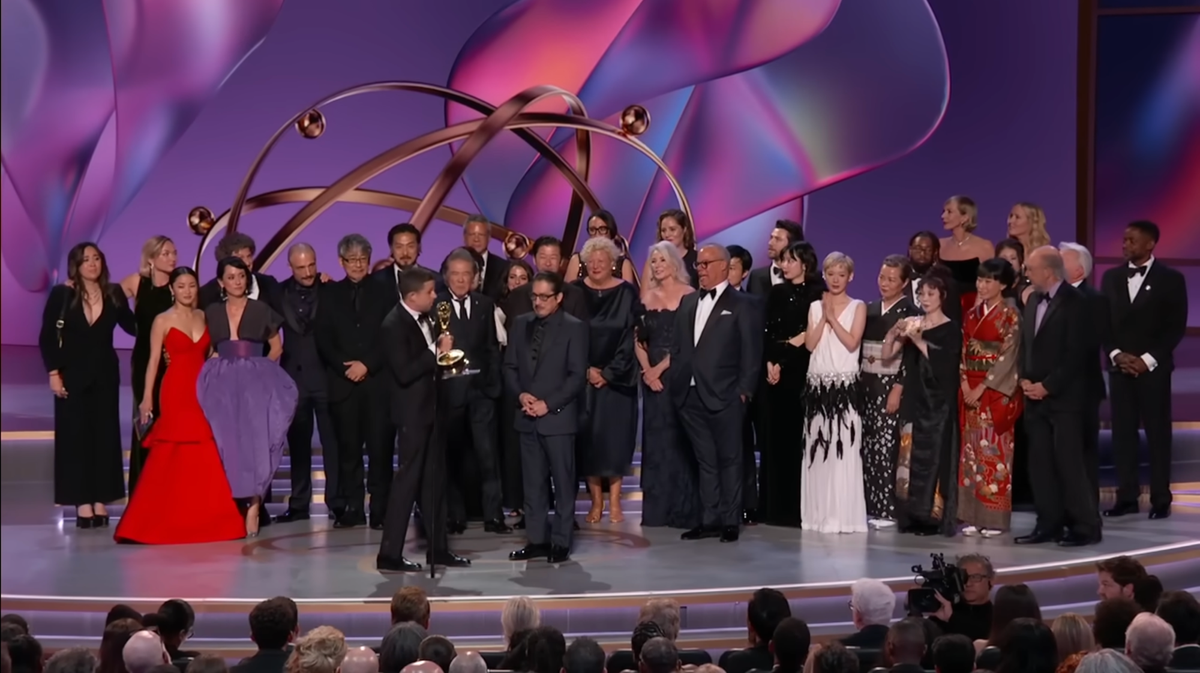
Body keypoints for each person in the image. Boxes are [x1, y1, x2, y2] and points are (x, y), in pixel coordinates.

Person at [114, 268, 246, 544]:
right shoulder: (162, 320)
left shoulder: (203, 316)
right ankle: (150, 522)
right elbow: (152, 362)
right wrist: (146, 397)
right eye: (181, 286)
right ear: (172, 290)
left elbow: (209, 353)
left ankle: (209, 520)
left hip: (203, 392)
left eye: (192, 286)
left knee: (204, 449)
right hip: (175, 391)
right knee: (171, 449)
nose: (187, 291)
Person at [375, 267, 471, 572]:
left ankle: (438, 549)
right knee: (407, 483)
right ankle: (389, 553)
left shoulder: (425, 316)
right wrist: (435, 351)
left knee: (434, 482)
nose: (435, 296)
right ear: (412, 296)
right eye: (430, 292)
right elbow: (404, 372)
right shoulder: (393, 324)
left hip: (432, 409)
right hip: (412, 415)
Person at [197, 257, 298, 537]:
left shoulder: (260, 309)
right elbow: (207, 346)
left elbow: (276, 346)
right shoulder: (211, 312)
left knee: (256, 441)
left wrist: (263, 371)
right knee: (226, 443)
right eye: (231, 277)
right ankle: (230, 508)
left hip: (255, 382)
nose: (237, 281)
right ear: (221, 282)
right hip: (222, 384)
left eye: (241, 276)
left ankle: (254, 505)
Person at [669, 244, 762, 543]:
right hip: (690, 395)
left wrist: (743, 391)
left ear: (725, 266)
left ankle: (730, 520)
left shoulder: (744, 303)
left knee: (730, 459)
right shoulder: (687, 302)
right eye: (699, 265)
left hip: (726, 396)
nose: (702, 269)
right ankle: (709, 519)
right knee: (705, 460)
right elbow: (679, 346)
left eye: (707, 264)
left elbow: (751, 352)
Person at [39, 243, 136, 527]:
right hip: (71, 374)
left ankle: (100, 500)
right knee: (75, 438)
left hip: (105, 374)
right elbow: (47, 336)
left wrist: (149, 298)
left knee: (104, 437)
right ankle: (82, 501)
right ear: (76, 265)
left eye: (96, 258)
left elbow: (132, 327)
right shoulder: (63, 293)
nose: (92, 264)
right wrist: (54, 373)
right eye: (86, 260)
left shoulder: (114, 293)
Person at [1100, 221, 1188, 521]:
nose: (1124, 244)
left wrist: (1147, 359)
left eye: (1131, 240)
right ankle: (1126, 496)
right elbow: (1103, 324)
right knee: (1123, 435)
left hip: (1154, 371)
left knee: (1157, 434)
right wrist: (1116, 355)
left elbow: (1174, 327)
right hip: (1119, 369)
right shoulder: (1110, 278)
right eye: (1124, 239)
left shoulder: (1171, 279)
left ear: (1150, 244)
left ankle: (1161, 498)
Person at [1015, 246, 1100, 547]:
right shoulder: (1033, 300)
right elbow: (1027, 345)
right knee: (1040, 466)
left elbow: (1078, 353)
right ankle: (1047, 524)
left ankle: (1085, 526)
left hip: (1066, 400)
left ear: (1048, 272)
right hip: (1033, 398)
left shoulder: (1078, 303)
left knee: (1069, 464)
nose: (1025, 274)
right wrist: (1024, 378)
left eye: (1030, 269)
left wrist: (1048, 386)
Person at [505, 272, 589, 564]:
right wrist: (521, 396)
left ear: (559, 298)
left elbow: (577, 376)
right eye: (535, 297)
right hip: (526, 416)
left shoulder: (574, 328)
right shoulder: (520, 324)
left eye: (544, 297)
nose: (538, 302)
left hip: (558, 419)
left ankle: (561, 542)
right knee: (533, 484)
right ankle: (537, 540)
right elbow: (510, 367)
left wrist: (548, 404)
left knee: (564, 484)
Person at [315, 234, 395, 529]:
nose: (358, 265)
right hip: (343, 383)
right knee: (348, 452)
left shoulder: (386, 292)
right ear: (341, 262)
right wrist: (345, 367)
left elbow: (391, 334)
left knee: (380, 450)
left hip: (376, 384)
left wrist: (368, 365)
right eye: (352, 260)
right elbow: (322, 337)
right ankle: (352, 508)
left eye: (363, 259)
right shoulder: (330, 294)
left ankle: (380, 510)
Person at [437, 248, 509, 534]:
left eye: (466, 274)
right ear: (446, 277)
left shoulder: (484, 304)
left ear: (475, 277)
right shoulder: (437, 305)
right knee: (452, 457)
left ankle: (494, 516)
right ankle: (455, 516)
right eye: (455, 274)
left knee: (488, 456)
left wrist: (493, 387)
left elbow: (492, 348)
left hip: (481, 394)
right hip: (449, 395)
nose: (460, 279)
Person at [883, 274, 961, 536]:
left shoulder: (951, 328)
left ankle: (932, 517)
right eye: (922, 294)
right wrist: (894, 333)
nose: (925, 299)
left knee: (934, 460)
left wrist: (918, 339)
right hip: (914, 398)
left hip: (938, 403)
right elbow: (888, 355)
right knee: (908, 457)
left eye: (931, 294)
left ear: (942, 296)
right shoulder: (914, 322)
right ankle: (911, 515)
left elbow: (945, 366)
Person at [574, 237, 641, 523]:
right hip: (583, 378)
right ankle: (595, 502)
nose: (596, 265)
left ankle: (615, 502)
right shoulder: (574, 292)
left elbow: (631, 336)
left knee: (615, 442)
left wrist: (610, 373)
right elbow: (570, 335)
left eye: (602, 261)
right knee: (587, 441)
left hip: (618, 380)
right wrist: (586, 369)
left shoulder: (627, 292)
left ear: (613, 263)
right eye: (591, 261)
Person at [801, 252, 867, 534]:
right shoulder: (815, 306)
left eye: (841, 274)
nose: (836, 279)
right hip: (818, 388)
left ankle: (844, 517)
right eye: (831, 274)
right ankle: (817, 516)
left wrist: (832, 318)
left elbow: (852, 343)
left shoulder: (858, 306)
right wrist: (822, 317)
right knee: (819, 450)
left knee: (843, 449)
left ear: (850, 276)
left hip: (844, 388)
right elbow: (810, 344)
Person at [275, 243, 341, 523]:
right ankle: (299, 504)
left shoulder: (331, 290)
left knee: (333, 444)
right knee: (298, 445)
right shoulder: (277, 293)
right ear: (290, 267)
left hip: (326, 377)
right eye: (301, 267)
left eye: (311, 265)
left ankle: (336, 503)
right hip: (294, 379)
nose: (308, 272)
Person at [637, 242, 701, 530]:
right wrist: (647, 371)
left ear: (674, 263)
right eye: (653, 261)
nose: (657, 265)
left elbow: (687, 342)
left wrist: (660, 369)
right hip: (652, 381)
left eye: (662, 259)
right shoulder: (647, 296)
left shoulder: (690, 295)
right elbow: (638, 339)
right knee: (657, 441)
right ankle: (657, 511)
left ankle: (682, 510)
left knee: (679, 440)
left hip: (677, 376)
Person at [957, 259, 1023, 537]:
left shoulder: (1010, 314)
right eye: (979, 280)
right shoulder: (972, 313)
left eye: (988, 281)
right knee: (971, 454)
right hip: (970, 388)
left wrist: (981, 387)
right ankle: (972, 515)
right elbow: (964, 351)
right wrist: (963, 383)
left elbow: (1009, 357)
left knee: (995, 453)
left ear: (1004, 285)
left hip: (994, 392)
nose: (981, 286)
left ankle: (994, 518)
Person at [760, 241, 823, 528]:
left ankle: (799, 508)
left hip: (803, 369)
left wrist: (787, 355)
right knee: (775, 439)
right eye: (783, 260)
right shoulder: (776, 292)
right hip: (776, 371)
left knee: (799, 438)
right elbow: (769, 329)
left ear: (805, 264)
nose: (784, 265)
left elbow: (809, 336)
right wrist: (772, 362)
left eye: (790, 260)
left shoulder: (817, 292)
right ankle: (773, 508)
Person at [858, 255, 919, 528]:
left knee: (887, 446)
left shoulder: (911, 312)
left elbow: (911, 356)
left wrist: (898, 387)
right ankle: (869, 504)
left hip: (890, 383)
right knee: (868, 445)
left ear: (905, 283)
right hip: (866, 382)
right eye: (882, 277)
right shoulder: (869, 308)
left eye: (892, 279)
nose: (885, 283)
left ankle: (887, 509)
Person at [119, 236, 177, 494]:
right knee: (144, 421)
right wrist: (132, 328)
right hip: (144, 361)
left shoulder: (179, 286)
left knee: (171, 424)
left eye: (174, 253)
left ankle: (168, 489)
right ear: (151, 259)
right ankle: (143, 492)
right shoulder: (136, 282)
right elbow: (105, 300)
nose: (172, 257)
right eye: (165, 253)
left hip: (172, 363)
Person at [565, 211, 638, 284]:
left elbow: (627, 293)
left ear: (611, 232)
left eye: (602, 229)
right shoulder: (576, 260)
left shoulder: (623, 264)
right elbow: (567, 292)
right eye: (592, 230)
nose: (597, 234)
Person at [461, 214, 511, 299]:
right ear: (464, 237)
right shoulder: (452, 264)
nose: (476, 239)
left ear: (489, 238)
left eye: (481, 235)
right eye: (472, 234)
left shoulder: (503, 267)